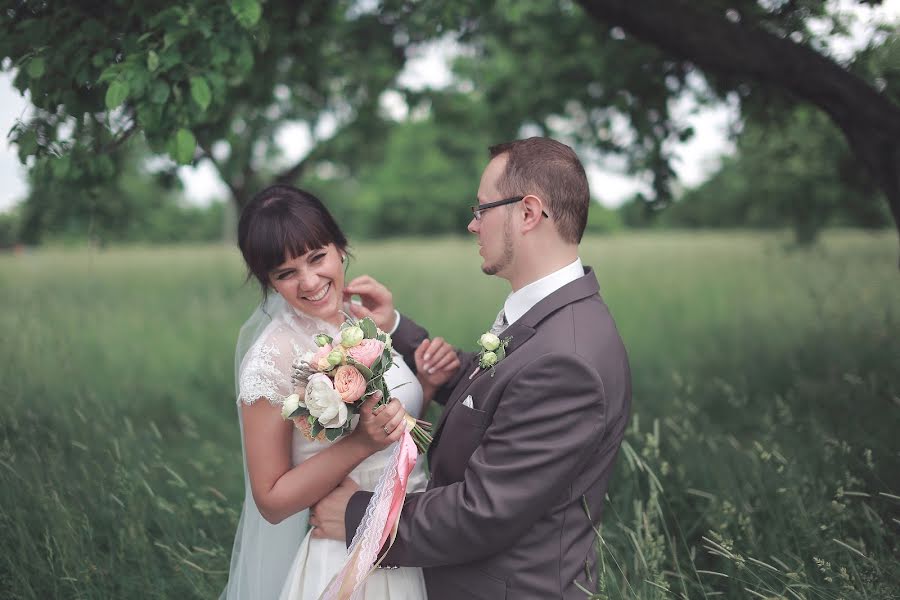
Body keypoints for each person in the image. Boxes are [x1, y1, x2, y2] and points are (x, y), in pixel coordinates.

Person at [311, 137, 632, 599]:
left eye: (482, 209)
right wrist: (397, 329)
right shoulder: (554, 317)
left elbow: (483, 512)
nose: (471, 224)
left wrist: (358, 516)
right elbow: (503, 391)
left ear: (528, 213)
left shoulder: (569, 361)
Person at [221, 184, 459, 599]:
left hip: (411, 540)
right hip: (345, 555)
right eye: (286, 273)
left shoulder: (356, 321)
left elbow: (388, 421)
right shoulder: (271, 359)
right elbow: (272, 500)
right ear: (269, 282)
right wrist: (361, 444)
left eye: (318, 258)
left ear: (340, 247)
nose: (310, 282)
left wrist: (426, 383)